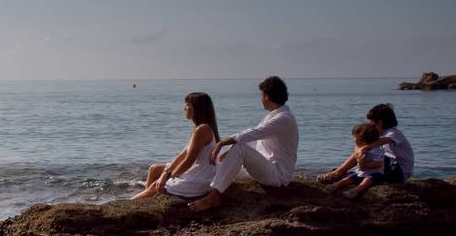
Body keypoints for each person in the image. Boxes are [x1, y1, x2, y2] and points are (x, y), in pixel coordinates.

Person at [188, 76, 299, 212]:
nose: (260, 99)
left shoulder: (283, 118)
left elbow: (255, 133)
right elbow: (256, 141)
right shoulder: (274, 116)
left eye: (261, 95)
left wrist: (222, 143)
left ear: (267, 96)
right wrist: (227, 154)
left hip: (277, 175)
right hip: (263, 169)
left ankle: (214, 197)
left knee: (240, 146)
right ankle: (190, 186)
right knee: (217, 166)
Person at [134, 92, 220, 199]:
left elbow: (188, 161)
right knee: (154, 169)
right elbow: (182, 155)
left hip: (199, 180)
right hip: (198, 173)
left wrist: (168, 178)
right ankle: (147, 199)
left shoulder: (202, 130)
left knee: (154, 187)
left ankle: (132, 202)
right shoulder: (202, 128)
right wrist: (165, 174)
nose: (184, 108)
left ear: (197, 108)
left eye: (188, 105)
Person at [317, 103, 414, 185]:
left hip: (399, 171)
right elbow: (360, 144)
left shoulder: (394, 133)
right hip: (388, 168)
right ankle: (339, 173)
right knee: (363, 157)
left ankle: (338, 173)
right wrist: (360, 153)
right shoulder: (380, 133)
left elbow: (383, 141)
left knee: (366, 152)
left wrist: (363, 150)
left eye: (372, 122)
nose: (370, 125)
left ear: (379, 122)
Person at [327, 122, 385, 199]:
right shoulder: (360, 149)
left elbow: (379, 163)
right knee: (350, 178)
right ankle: (335, 186)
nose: (354, 140)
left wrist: (366, 165)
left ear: (363, 141)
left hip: (375, 174)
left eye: (355, 138)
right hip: (361, 173)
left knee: (367, 180)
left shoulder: (376, 150)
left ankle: (355, 191)